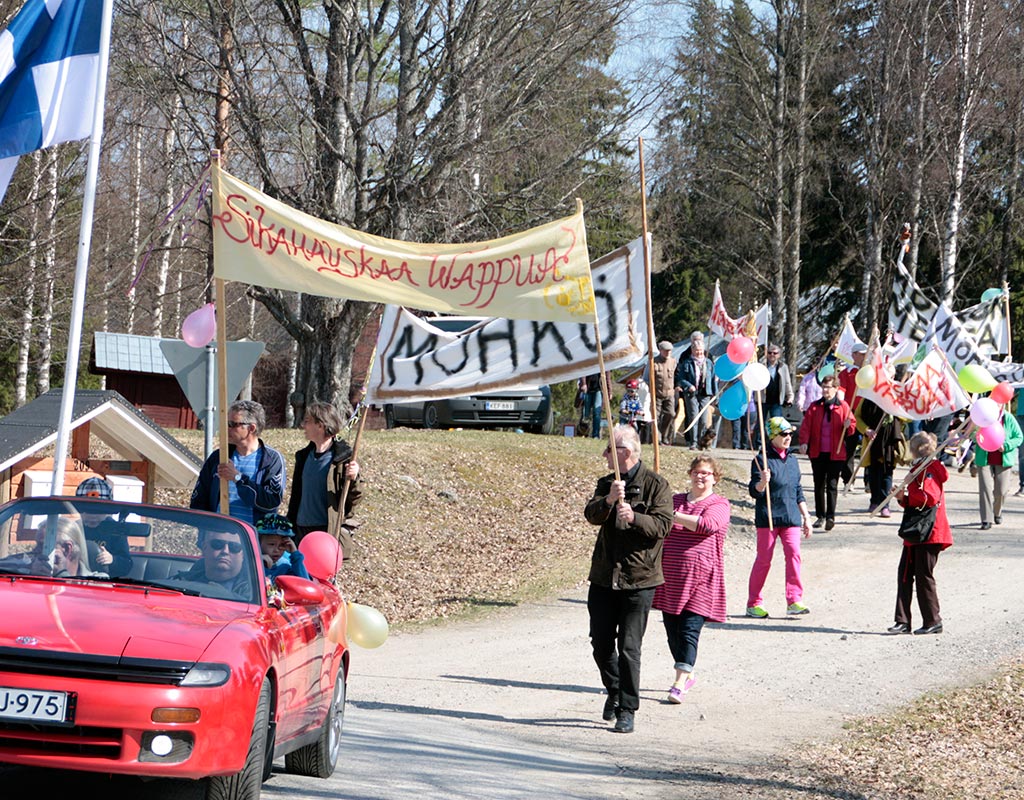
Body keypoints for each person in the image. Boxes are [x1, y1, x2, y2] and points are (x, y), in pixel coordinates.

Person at [583, 423, 673, 734]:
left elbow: (663, 527)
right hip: (605, 576)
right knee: (601, 642)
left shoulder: (656, 485)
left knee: (630, 647)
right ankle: (615, 689)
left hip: (640, 579)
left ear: (627, 453)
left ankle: (627, 709)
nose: (605, 454)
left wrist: (635, 518)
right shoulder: (607, 483)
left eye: (610, 449)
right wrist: (608, 501)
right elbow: (591, 515)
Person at [652, 456, 729, 704]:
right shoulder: (674, 500)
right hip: (670, 578)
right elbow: (656, 522)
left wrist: (672, 516)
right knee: (672, 632)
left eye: (706, 473)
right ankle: (687, 673)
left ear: (715, 478)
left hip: (701, 578)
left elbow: (707, 525)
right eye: (696, 471)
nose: (700, 476)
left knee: (689, 630)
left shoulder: (720, 503)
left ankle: (678, 682)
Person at [746, 417, 813, 618]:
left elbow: (797, 490)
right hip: (768, 517)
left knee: (794, 555)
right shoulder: (761, 460)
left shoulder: (792, 460)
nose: (788, 437)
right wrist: (762, 483)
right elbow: (754, 491)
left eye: (790, 434)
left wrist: (806, 517)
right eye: (783, 434)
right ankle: (753, 602)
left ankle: (794, 600)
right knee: (764, 560)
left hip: (790, 516)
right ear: (772, 436)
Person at [888, 432, 952, 635]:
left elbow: (929, 498)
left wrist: (905, 494)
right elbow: (916, 500)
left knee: (924, 576)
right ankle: (903, 621)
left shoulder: (930, 469)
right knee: (905, 575)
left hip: (929, 532)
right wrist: (902, 497)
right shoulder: (919, 468)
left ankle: (933, 620)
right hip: (916, 532)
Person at [190, 399, 286, 527]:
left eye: (232, 424)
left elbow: (271, 502)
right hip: (217, 538)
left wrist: (237, 478)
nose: (226, 429)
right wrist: (204, 532)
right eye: (226, 423)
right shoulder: (218, 457)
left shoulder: (270, 460)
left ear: (251, 428)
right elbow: (199, 499)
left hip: (250, 540)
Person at [286, 401, 362, 555]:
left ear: (320, 425)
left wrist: (354, 479)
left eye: (307, 421)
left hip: (325, 530)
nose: (303, 425)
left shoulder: (342, 459)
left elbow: (353, 500)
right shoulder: (304, 456)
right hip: (301, 531)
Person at [798, 375, 856, 531]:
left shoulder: (843, 407)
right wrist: (803, 442)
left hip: (835, 453)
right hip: (817, 452)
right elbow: (806, 427)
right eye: (823, 387)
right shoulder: (814, 407)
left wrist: (848, 425)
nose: (825, 390)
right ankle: (820, 516)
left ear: (836, 389)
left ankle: (830, 516)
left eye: (828, 387)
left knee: (832, 484)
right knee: (818, 484)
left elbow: (851, 429)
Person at [973, 405, 1023, 530]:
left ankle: (997, 512)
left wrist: (1006, 445)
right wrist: (977, 436)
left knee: (1001, 491)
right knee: (985, 488)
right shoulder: (981, 417)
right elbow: (972, 433)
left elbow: (1019, 437)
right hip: (984, 459)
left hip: (1003, 460)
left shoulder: (1008, 417)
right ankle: (986, 519)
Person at [856, 398, 906, 518]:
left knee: (887, 474)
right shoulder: (868, 398)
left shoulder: (896, 396)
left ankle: (885, 505)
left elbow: (907, 416)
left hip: (889, 441)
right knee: (873, 473)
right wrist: (866, 430)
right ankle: (874, 501)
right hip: (872, 441)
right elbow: (857, 417)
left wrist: (895, 411)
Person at [75, 476, 134, 577]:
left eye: (99, 510)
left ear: (108, 510)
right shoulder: (74, 529)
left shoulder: (116, 530)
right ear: (79, 509)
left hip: (106, 583)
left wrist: (112, 560)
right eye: (88, 510)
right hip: (74, 579)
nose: (93, 515)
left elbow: (127, 564)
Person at [176, 529, 254, 598]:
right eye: (218, 544)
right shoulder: (180, 582)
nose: (225, 551)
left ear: (243, 554)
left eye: (234, 547)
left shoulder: (252, 594)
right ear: (204, 548)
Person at [676, 331, 716, 449]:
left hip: (705, 393)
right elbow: (680, 378)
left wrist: (715, 395)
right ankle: (693, 442)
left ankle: (701, 441)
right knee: (693, 417)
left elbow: (713, 379)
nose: (699, 353)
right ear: (692, 350)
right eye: (696, 350)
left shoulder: (708, 362)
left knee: (704, 420)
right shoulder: (687, 362)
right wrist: (688, 386)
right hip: (691, 394)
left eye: (700, 350)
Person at [30, 517, 103, 577]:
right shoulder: (27, 572)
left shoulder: (98, 581)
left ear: (67, 549)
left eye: (43, 546)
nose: (35, 550)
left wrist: (61, 573)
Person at [256, 513, 311, 580]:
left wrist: (295, 555)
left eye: (282, 545)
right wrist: (256, 560)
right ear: (257, 542)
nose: (276, 550)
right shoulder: (250, 564)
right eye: (272, 544)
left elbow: (305, 584)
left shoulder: (284, 570)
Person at [652, 340, 678, 445]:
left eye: (670, 351)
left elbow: (677, 376)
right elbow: (647, 378)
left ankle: (664, 435)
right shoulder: (653, 362)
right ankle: (656, 438)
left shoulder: (673, 362)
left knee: (671, 414)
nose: (668, 353)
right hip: (657, 394)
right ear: (660, 350)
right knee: (656, 417)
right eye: (666, 351)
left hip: (669, 394)